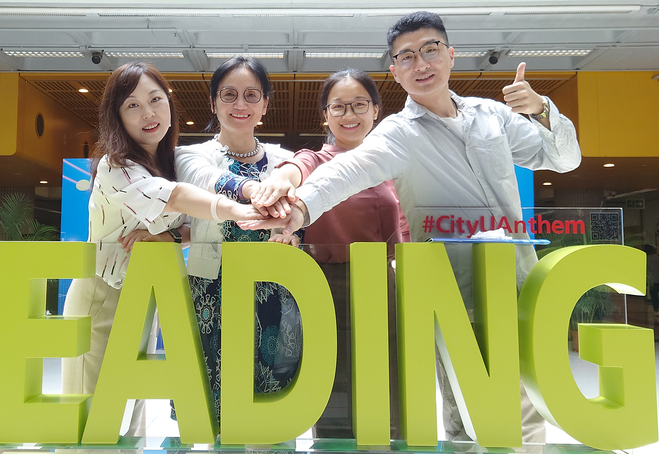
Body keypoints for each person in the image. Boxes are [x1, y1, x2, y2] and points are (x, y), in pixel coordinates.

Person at [246, 11, 581, 444]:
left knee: (528, 407)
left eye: (430, 50)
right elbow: (347, 169)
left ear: (451, 55)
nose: (420, 64)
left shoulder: (492, 116)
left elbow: (564, 159)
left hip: (516, 280)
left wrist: (541, 108)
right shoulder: (399, 133)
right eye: (406, 56)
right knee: (468, 413)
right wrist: (299, 208)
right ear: (395, 71)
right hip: (453, 292)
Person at [61, 62, 264, 436]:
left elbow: (189, 228)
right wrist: (237, 209)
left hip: (145, 294)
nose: (148, 113)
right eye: (133, 105)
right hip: (105, 296)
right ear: (117, 117)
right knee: (93, 423)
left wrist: (170, 237)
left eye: (155, 100)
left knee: (131, 417)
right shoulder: (115, 167)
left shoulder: (168, 161)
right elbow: (175, 199)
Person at [252, 69, 408, 439]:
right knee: (330, 382)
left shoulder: (394, 162)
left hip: (382, 281)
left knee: (386, 377)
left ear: (376, 110)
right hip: (324, 282)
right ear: (325, 115)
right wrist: (279, 180)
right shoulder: (314, 160)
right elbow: (293, 170)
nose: (349, 115)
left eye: (359, 105)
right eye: (338, 106)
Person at [174, 55, 302, 423]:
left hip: (275, 293)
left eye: (251, 95)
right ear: (213, 103)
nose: (240, 104)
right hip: (212, 293)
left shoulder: (285, 161)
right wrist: (256, 191)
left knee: (273, 402)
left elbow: (300, 219)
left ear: (265, 104)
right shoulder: (190, 155)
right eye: (228, 95)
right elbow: (206, 180)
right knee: (209, 400)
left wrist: (292, 235)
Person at [644, 244, 659, 316]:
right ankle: (656, 309)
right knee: (655, 293)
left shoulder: (645, 257)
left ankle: (656, 309)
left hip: (650, 279)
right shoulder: (658, 256)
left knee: (653, 294)